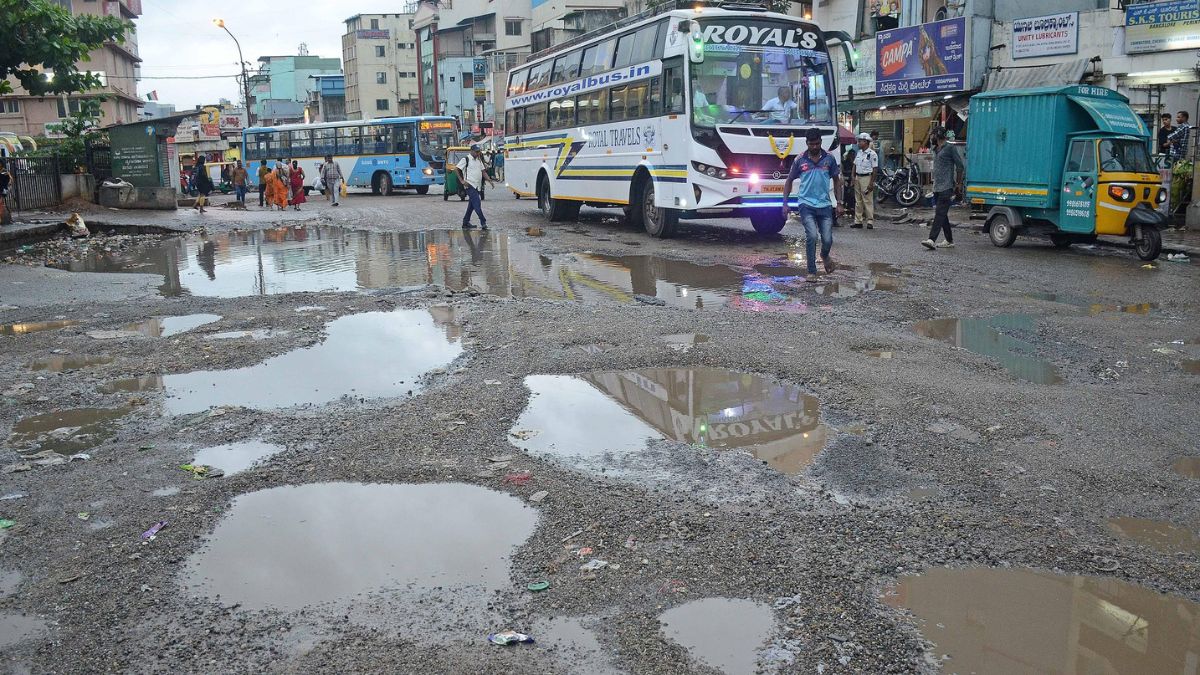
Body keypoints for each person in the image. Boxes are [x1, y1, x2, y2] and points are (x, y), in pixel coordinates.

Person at [781, 128, 842, 280]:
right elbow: (789, 180)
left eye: (817, 143)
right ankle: (811, 271)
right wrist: (785, 203)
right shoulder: (799, 160)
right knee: (812, 236)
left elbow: (836, 180)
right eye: (811, 144)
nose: (814, 147)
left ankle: (824, 255)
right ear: (806, 143)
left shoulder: (829, 158)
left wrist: (840, 202)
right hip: (805, 204)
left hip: (825, 204)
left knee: (827, 239)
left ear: (821, 142)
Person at [922, 127, 965, 250]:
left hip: (946, 187)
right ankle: (949, 240)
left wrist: (958, 183)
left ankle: (931, 239)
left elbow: (960, 166)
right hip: (937, 187)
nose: (931, 137)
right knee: (942, 214)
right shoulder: (936, 149)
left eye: (932, 135)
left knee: (940, 213)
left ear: (939, 134)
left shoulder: (950, 148)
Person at [457, 144, 496, 230]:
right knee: (477, 204)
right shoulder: (466, 159)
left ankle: (465, 222)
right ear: (471, 151)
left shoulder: (479, 160)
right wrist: (462, 181)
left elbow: (483, 172)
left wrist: (489, 180)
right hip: (469, 185)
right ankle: (483, 222)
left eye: (479, 151)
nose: (478, 153)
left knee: (471, 205)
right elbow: (457, 169)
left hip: (477, 186)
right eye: (476, 151)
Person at [851, 132, 879, 229]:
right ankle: (858, 221)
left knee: (867, 200)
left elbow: (875, 169)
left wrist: (871, 183)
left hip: (867, 178)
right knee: (858, 201)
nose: (858, 143)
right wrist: (852, 176)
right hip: (858, 178)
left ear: (866, 142)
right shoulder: (859, 153)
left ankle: (870, 221)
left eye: (860, 141)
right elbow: (854, 165)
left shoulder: (872, 154)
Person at [0, 159, 10, 226]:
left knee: (1, 204)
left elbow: (9, 181)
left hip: (2, 190)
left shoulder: (4, 171)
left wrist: (5, 188)